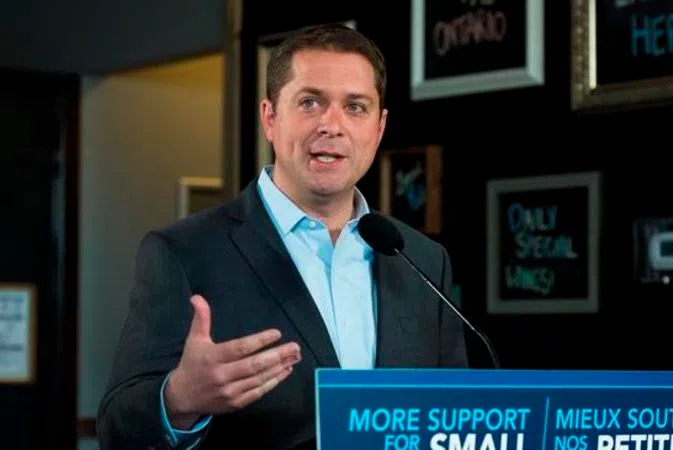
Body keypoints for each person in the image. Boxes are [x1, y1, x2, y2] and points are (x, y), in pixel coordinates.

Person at [96, 23, 469, 450]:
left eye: (355, 107)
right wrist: (178, 400)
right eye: (310, 102)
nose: (332, 125)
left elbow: (455, 415)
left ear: (379, 127)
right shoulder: (183, 253)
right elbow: (117, 429)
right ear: (270, 118)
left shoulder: (422, 259)